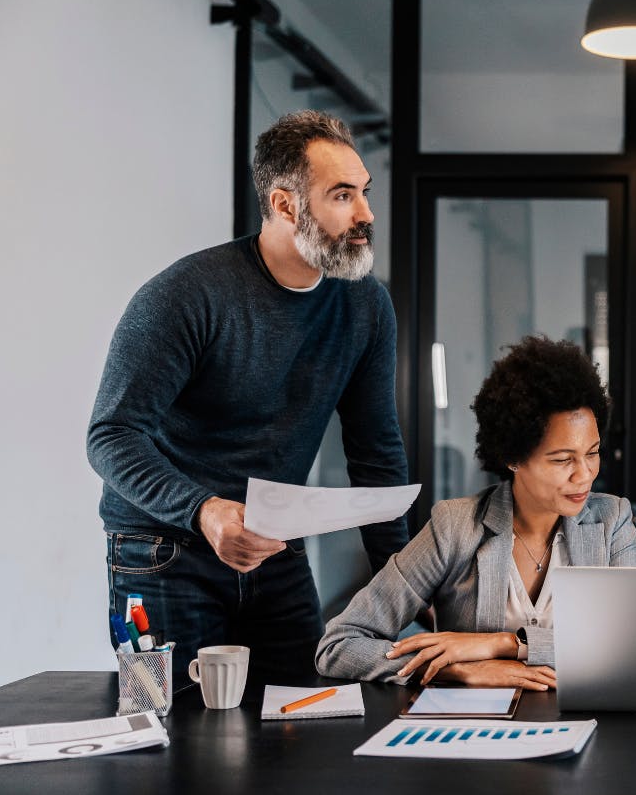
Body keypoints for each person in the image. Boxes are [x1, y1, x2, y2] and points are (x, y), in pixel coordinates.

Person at [87, 110, 407, 689]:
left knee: (299, 721)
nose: (366, 214)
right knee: (171, 742)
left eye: (363, 192)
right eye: (342, 196)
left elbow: (376, 453)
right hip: (162, 549)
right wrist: (205, 510)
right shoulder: (185, 296)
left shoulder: (365, 308)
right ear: (286, 205)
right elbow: (111, 436)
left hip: (273, 547)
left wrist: (405, 583)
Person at [316, 336, 636, 690]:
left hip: (580, 722)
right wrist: (451, 669)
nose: (585, 474)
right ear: (513, 458)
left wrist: (505, 645)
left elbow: (631, 646)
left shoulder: (611, 520)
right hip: (475, 727)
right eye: (562, 459)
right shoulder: (455, 526)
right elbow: (339, 646)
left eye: (592, 453)